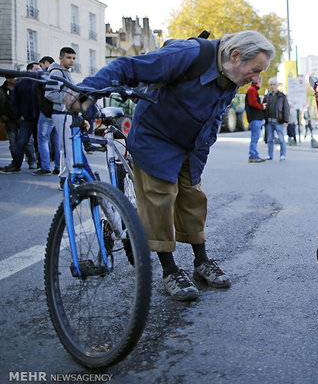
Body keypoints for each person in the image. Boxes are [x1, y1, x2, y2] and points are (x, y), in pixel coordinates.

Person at [68, 30, 275, 301]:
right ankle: (169, 269)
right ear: (235, 56)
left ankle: (201, 261)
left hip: (191, 144)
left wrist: (203, 147)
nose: (257, 78)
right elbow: (127, 67)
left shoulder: (231, 74)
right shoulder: (189, 55)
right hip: (156, 136)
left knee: (193, 197)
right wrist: (87, 91)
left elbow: (214, 115)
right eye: (256, 70)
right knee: (160, 197)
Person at [0, 62, 42, 174]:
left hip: (39, 118)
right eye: (37, 69)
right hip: (26, 118)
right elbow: (14, 102)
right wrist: (20, 114)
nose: (40, 70)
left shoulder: (41, 83)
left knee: (39, 143)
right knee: (21, 142)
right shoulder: (21, 85)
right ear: (29, 71)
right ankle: (16, 164)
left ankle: (40, 164)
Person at [45, 47, 77, 189]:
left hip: (66, 114)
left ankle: (66, 179)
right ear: (61, 58)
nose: (71, 61)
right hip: (61, 114)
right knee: (67, 147)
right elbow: (50, 93)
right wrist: (68, 100)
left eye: (73, 58)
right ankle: (67, 180)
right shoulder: (57, 72)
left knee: (67, 147)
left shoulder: (64, 72)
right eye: (68, 58)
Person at [36, 56, 61, 175]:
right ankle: (58, 166)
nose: (41, 68)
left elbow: (39, 95)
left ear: (46, 63)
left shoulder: (43, 75)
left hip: (46, 113)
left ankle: (45, 167)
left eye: (41, 65)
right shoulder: (60, 74)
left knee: (43, 140)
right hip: (57, 112)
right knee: (57, 142)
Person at [263, 78, 290, 161]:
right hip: (269, 121)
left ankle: (283, 155)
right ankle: (270, 155)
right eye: (271, 84)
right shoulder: (267, 96)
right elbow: (264, 108)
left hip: (279, 121)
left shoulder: (282, 96)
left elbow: (286, 109)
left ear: (277, 86)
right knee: (270, 139)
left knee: (281, 139)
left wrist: (286, 121)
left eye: (274, 84)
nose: (272, 86)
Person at [245, 76, 265, 163]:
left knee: (255, 137)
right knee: (255, 137)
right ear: (258, 82)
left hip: (255, 118)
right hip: (255, 117)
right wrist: (262, 106)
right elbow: (252, 103)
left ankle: (255, 154)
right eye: (261, 82)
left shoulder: (252, 90)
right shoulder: (252, 90)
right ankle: (252, 155)